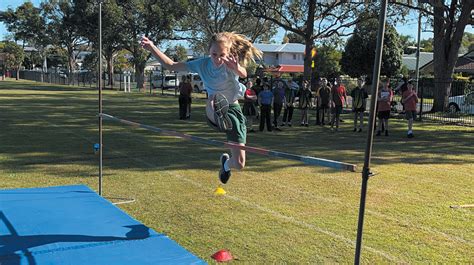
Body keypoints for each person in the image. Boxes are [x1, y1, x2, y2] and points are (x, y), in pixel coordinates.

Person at [141, 32, 262, 184]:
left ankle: (225, 164)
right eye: (214, 54)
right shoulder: (202, 64)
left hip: (234, 110)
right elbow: (170, 65)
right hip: (213, 107)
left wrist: (236, 67)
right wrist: (151, 47)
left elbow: (243, 73)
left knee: (239, 163)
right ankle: (219, 117)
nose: (218, 59)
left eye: (222, 55)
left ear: (229, 52)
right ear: (208, 51)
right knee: (214, 99)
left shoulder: (231, 63)